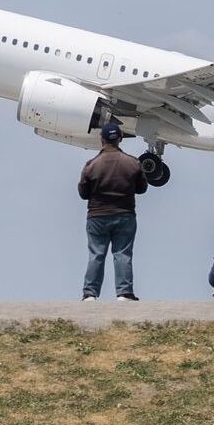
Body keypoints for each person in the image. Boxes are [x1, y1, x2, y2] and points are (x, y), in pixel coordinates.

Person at [78, 123, 148, 301]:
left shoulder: (91, 165)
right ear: (120, 139)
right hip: (124, 214)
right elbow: (142, 188)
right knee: (122, 254)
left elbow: (83, 193)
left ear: (101, 139)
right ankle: (124, 293)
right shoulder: (133, 163)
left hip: (97, 216)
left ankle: (90, 294)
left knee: (96, 255)